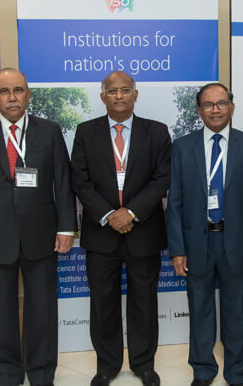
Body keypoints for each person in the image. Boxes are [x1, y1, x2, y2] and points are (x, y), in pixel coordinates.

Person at [0, 68, 76, 386]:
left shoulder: (49, 131)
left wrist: (66, 229)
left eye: (18, 90)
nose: (12, 97)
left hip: (42, 236)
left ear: (28, 95)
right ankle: (6, 375)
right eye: (4, 91)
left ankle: (41, 373)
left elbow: (63, 183)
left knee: (42, 309)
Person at [70, 71, 170, 386]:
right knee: (103, 304)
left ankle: (144, 364)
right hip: (102, 232)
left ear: (135, 95)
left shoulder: (157, 132)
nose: (119, 96)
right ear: (103, 97)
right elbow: (80, 180)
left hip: (144, 231)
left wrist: (132, 212)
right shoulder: (86, 132)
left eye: (125, 90)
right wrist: (109, 214)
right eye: (112, 91)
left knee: (145, 302)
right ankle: (107, 366)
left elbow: (162, 178)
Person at [166, 82, 243, 386]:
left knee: (238, 313)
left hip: (237, 243)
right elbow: (175, 203)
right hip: (197, 242)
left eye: (221, 103)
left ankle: (237, 373)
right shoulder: (182, 147)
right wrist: (177, 250)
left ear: (231, 107)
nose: (215, 110)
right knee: (200, 311)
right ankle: (202, 370)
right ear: (199, 111)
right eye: (208, 105)